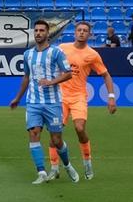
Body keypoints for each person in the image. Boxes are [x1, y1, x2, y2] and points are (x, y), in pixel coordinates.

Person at [10, 18, 76, 185]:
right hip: (33, 102)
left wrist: (51, 82)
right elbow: (26, 77)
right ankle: (41, 172)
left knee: (56, 140)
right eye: (36, 30)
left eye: (41, 31)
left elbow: (68, 73)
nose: (38, 33)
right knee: (33, 133)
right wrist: (18, 98)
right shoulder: (27, 54)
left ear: (48, 33)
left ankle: (67, 165)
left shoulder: (56, 53)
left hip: (53, 102)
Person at [53, 20, 117, 180]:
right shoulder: (62, 49)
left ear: (89, 34)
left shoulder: (92, 55)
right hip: (60, 96)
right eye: (79, 30)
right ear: (75, 33)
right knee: (55, 132)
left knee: (80, 128)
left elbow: (106, 75)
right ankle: (54, 168)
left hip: (78, 96)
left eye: (85, 30)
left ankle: (87, 162)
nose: (81, 32)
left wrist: (111, 97)